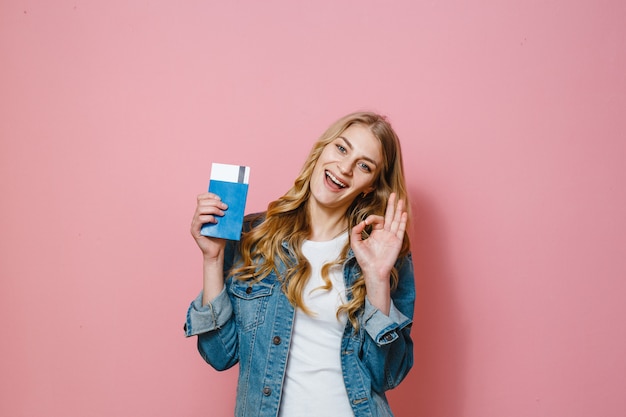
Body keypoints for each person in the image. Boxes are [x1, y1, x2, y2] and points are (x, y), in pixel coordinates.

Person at [184, 111, 415, 417]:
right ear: (322, 150)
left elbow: (386, 375)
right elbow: (219, 355)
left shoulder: (382, 253)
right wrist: (212, 259)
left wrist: (377, 279)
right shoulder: (255, 237)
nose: (344, 168)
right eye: (342, 148)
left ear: (371, 186)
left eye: (363, 165)